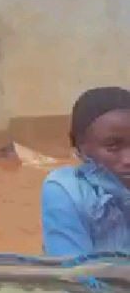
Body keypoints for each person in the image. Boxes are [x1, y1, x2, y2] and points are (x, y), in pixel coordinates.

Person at [41, 86, 130, 256]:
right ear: (79, 146)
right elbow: (72, 269)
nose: (128, 159)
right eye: (113, 146)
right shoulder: (66, 190)